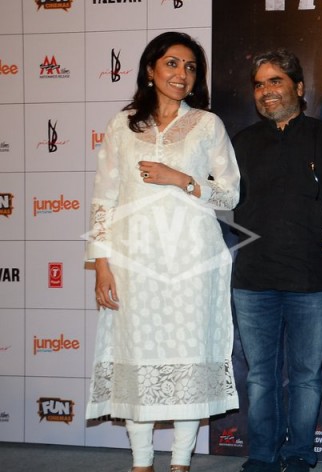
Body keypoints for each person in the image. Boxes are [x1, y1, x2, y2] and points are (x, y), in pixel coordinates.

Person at [86, 31, 240, 472]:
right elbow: (104, 198)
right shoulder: (123, 126)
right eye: (172, 63)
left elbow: (230, 195)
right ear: (150, 70)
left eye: (190, 67)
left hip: (192, 261)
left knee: (189, 355)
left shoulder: (207, 125)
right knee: (137, 354)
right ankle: (141, 462)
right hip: (133, 262)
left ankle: (180, 462)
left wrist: (181, 179)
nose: (181, 73)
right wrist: (101, 262)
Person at [230, 49, 322, 472]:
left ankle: (299, 452)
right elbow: (222, 203)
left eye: (275, 81)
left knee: (306, 376)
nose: (266, 91)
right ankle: (262, 454)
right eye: (259, 84)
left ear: (298, 87)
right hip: (252, 280)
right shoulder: (240, 143)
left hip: (311, 281)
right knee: (260, 376)